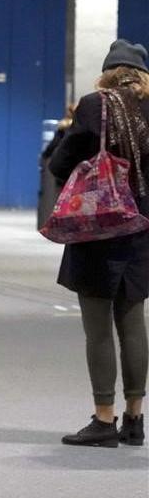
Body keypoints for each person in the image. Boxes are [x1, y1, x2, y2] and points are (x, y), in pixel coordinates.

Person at [49, 39, 149, 448]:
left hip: (98, 229)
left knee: (98, 328)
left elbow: (61, 161)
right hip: (142, 229)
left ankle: (104, 419)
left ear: (108, 72)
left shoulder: (95, 105)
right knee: (133, 322)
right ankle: (135, 419)